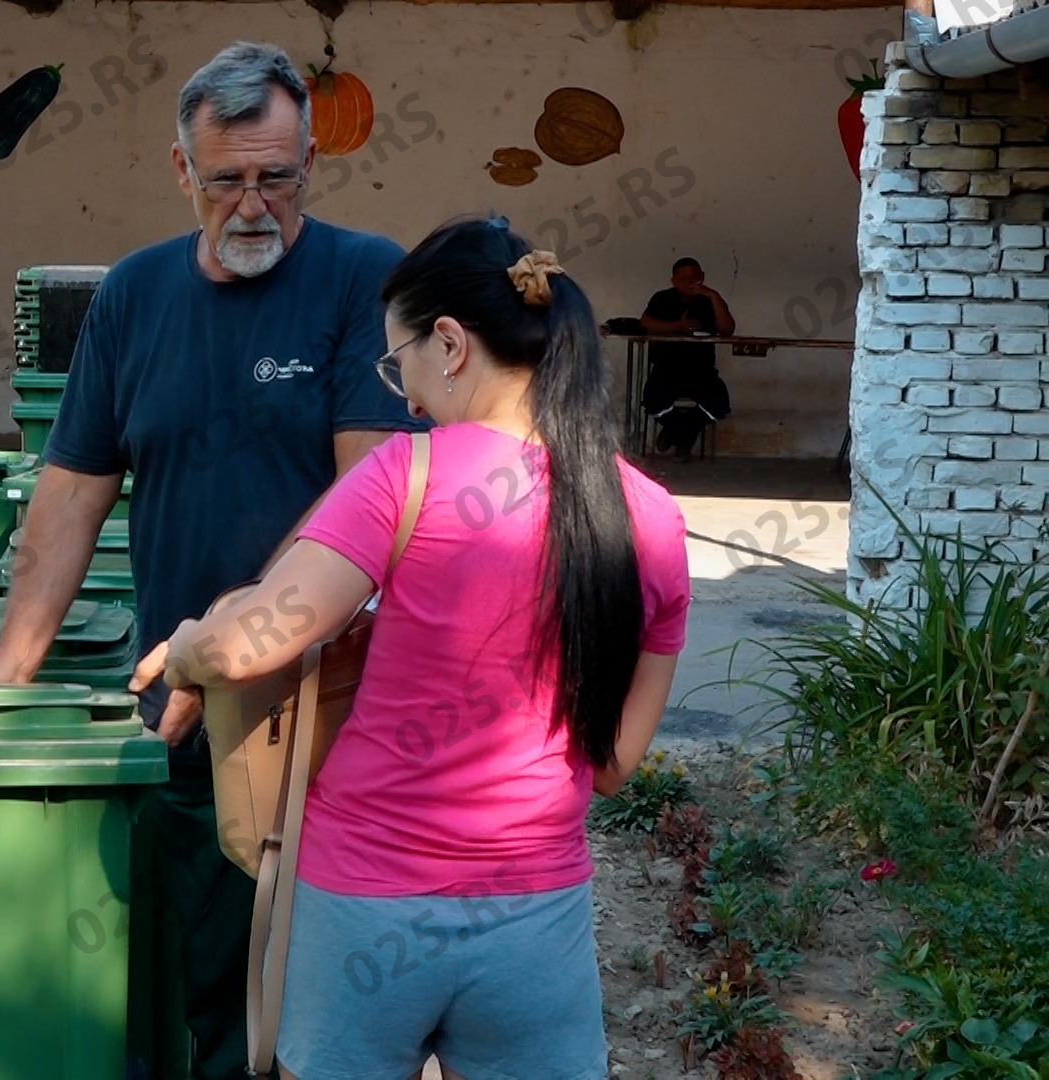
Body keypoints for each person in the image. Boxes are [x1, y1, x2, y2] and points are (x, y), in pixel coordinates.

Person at [0, 40, 426, 1080]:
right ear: (181, 173)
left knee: (305, 991)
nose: (254, 206)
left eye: (278, 180)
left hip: (320, 705)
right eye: (227, 182)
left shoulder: (360, 277)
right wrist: (12, 657)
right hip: (185, 697)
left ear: (311, 168)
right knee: (207, 966)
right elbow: (72, 486)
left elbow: (366, 502)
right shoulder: (134, 295)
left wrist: (248, 636)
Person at [130, 216, 691, 1079]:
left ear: (453, 344)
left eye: (401, 364)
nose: (405, 395)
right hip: (535, 920)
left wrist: (189, 647)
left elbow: (254, 642)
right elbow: (611, 762)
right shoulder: (649, 516)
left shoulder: (408, 474)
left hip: (365, 908)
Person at [639, 257, 734, 462]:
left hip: (702, 371)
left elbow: (727, 330)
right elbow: (645, 324)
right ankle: (686, 434)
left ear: (702, 277)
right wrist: (677, 326)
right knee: (652, 399)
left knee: (719, 401)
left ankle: (676, 433)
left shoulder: (710, 299)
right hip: (667, 369)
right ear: (673, 281)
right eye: (683, 278)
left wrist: (713, 295)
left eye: (694, 277)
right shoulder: (662, 298)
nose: (689, 282)